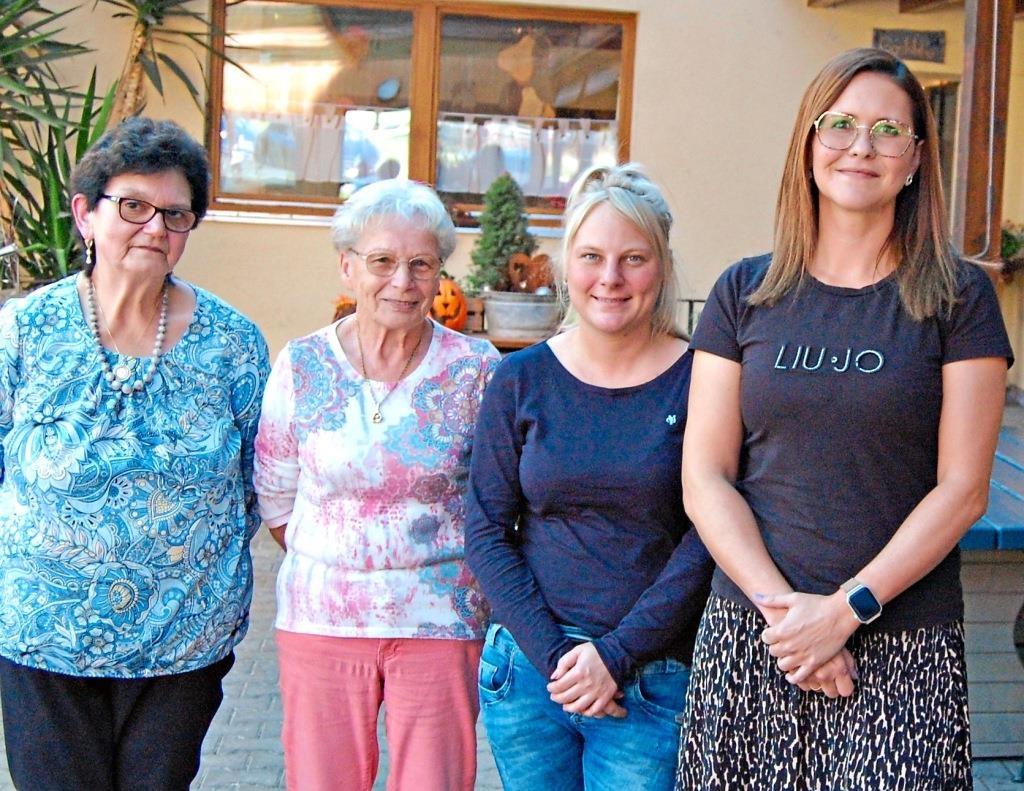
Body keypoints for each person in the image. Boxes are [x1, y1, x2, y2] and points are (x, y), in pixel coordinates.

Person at [677, 48, 1013, 790]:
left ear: (917, 159)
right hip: (755, 636)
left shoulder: (959, 299)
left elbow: (963, 488)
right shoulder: (746, 291)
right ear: (808, 142)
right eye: (841, 124)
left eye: (888, 130)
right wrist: (793, 620)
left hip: (901, 641)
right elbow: (704, 475)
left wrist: (846, 610)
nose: (862, 147)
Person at [0, 117, 270, 790]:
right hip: (44, 641)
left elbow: (256, 482)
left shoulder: (233, 344)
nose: (155, 228)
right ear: (85, 214)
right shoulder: (25, 332)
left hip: (180, 643)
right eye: (133, 206)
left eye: (175, 214)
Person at [465, 163, 714, 791]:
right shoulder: (519, 378)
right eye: (591, 256)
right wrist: (559, 662)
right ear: (565, 265)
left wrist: (617, 656)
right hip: (529, 672)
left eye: (633, 258)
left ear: (661, 266)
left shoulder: (704, 380)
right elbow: (485, 532)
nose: (610, 278)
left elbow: (709, 534)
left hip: (650, 677)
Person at [253, 178, 501, 791]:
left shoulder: (477, 369)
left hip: (440, 619)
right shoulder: (303, 364)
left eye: (421, 264)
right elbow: (276, 489)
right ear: (347, 266)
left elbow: (498, 498)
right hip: (322, 618)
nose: (403, 281)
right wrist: (349, 559)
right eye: (383, 261)